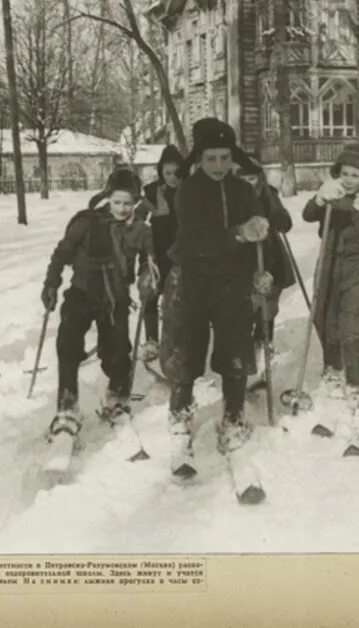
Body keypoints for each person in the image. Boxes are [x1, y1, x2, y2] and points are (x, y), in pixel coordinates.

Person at [159, 118, 272, 463]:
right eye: (211, 158)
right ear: (199, 158)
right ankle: (180, 409)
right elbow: (196, 239)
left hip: (232, 279)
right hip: (193, 278)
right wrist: (238, 233)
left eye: (225, 157)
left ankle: (234, 415)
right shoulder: (188, 191)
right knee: (187, 344)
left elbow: (258, 232)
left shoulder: (243, 190)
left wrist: (261, 269)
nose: (219, 165)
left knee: (235, 344)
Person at [42, 167, 157, 436]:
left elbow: (148, 261)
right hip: (82, 292)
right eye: (117, 202)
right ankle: (67, 403)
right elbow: (62, 253)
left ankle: (116, 396)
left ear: (136, 202)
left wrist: (147, 278)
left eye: (128, 203)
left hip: (115, 299)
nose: (122, 208)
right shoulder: (86, 222)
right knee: (68, 343)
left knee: (118, 351)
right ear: (108, 198)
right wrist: (51, 283)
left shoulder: (141, 230)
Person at [302, 143, 359, 413]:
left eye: (356, 175)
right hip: (327, 264)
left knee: (351, 327)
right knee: (323, 319)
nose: (349, 180)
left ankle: (356, 385)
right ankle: (333, 367)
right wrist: (320, 199)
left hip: (357, 268)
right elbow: (308, 216)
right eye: (345, 173)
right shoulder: (331, 192)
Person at [233, 150, 296, 384]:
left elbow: (285, 224)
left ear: (259, 178)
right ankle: (244, 362)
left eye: (251, 178)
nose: (248, 184)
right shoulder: (228, 197)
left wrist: (276, 216)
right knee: (244, 311)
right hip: (241, 261)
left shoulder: (268, 194)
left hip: (270, 260)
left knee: (266, 309)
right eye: (242, 179)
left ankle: (264, 351)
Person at [138, 145, 186, 362]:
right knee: (150, 292)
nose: (172, 177)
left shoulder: (190, 191)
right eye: (167, 173)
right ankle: (151, 340)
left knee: (177, 298)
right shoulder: (152, 191)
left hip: (181, 252)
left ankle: (176, 339)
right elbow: (138, 215)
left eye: (176, 172)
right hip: (155, 252)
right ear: (161, 172)